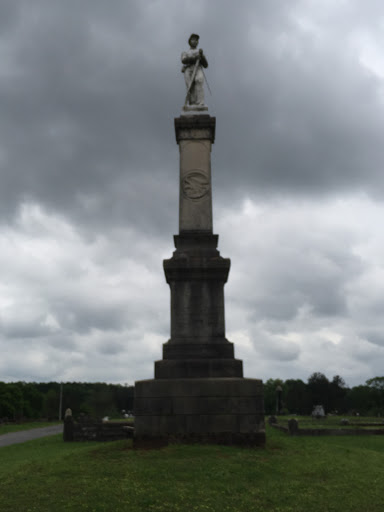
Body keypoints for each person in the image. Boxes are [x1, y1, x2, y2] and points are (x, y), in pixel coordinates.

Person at [181, 34, 208, 107]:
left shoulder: (199, 52)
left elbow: (205, 65)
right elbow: (183, 60)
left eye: (196, 40)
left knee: (199, 80)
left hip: (198, 68)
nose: (195, 41)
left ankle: (200, 102)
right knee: (190, 86)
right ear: (190, 41)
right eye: (193, 39)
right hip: (188, 69)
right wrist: (194, 57)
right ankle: (192, 103)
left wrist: (202, 56)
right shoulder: (185, 52)